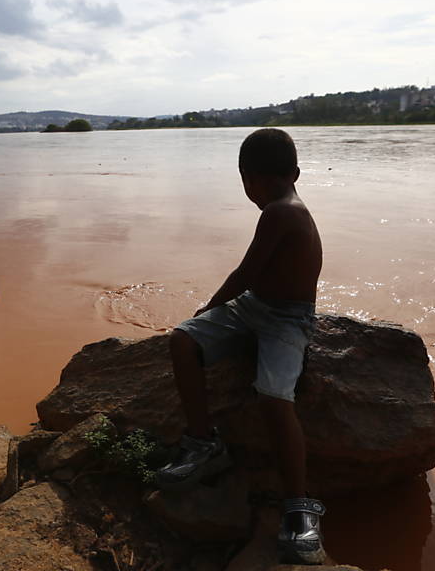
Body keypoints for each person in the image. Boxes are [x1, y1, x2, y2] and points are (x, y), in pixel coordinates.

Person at [154, 128, 326, 565]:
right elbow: (252, 284)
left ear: (248, 179)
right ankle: (202, 442)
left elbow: (245, 273)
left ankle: (299, 505)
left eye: (252, 182)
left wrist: (208, 308)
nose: (254, 190)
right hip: (256, 307)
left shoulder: (282, 213)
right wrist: (205, 320)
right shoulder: (283, 207)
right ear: (296, 172)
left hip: (288, 317)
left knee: (273, 395)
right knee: (183, 341)